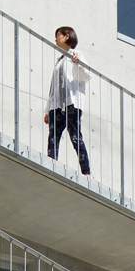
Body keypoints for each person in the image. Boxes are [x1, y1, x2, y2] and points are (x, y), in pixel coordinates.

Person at [44, 26, 90, 176]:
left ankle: (86, 172)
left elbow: (86, 76)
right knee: (53, 136)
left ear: (67, 36)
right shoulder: (59, 61)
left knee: (75, 136)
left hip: (72, 103)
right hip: (56, 105)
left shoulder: (76, 55)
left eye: (58, 35)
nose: (56, 39)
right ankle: (51, 163)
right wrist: (47, 110)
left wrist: (77, 63)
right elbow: (53, 87)